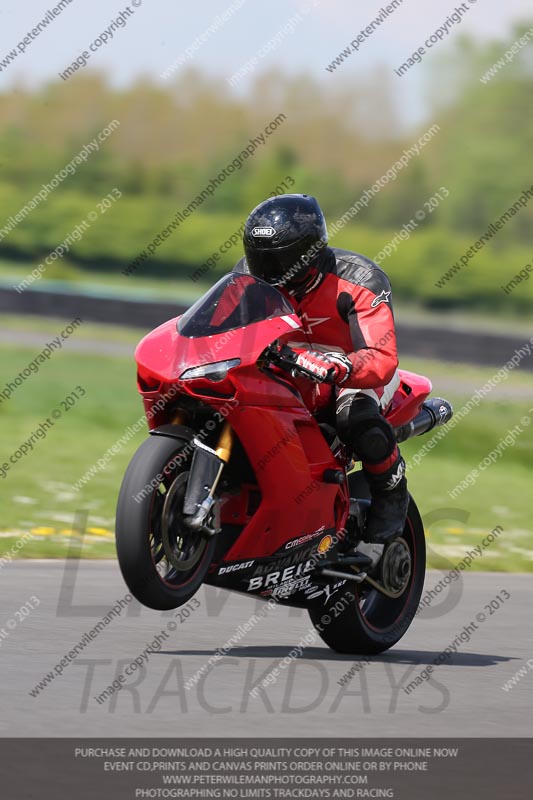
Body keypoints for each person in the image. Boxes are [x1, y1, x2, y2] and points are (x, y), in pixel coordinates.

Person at [234, 193, 408, 545]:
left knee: (355, 418)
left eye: (279, 259)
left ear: (308, 251)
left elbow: (381, 356)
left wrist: (339, 368)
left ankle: (392, 491)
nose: (269, 271)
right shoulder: (245, 276)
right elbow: (225, 333)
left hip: (354, 373)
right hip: (286, 368)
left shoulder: (361, 281)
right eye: (261, 259)